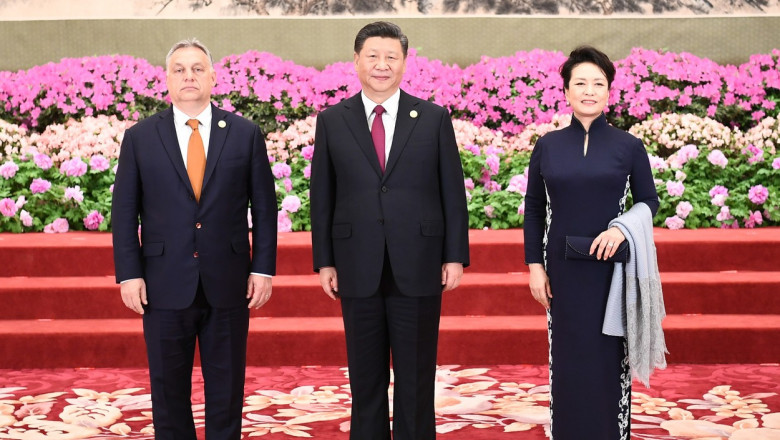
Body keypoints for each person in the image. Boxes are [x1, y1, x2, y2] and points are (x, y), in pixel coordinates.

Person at [309, 21, 470, 440]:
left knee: (417, 376)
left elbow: (452, 192)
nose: (382, 65)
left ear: (404, 62)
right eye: (373, 56)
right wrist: (324, 259)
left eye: (391, 57)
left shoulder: (433, 118)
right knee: (365, 378)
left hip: (418, 263)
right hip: (355, 262)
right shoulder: (332, 120)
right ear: (357, 61)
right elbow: (322, 195)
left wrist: (454, 255)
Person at [112, 38, 277, 440]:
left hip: (229, 281)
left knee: (227, 389)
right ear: (166, 78)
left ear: (213, 77)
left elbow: (265, 207)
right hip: (164, 282)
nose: (189, 76)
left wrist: (262, 268)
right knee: (168, 391)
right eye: (180, 69)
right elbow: (123, 212)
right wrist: (128, 274)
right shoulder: (140, 138)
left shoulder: (244, 134)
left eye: (198, 68)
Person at [524, 46, 660, 440]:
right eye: (580, 83)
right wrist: (535, 266)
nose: (589, 90)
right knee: (567, 360)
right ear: (566, 91)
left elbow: (648, 201)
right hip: (562, 273)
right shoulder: (547, 145)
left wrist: (622, 228)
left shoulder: (628, 146)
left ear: (608, 92)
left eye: (597, 83)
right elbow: (533, 209)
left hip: (611, 270)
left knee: (607, 359)